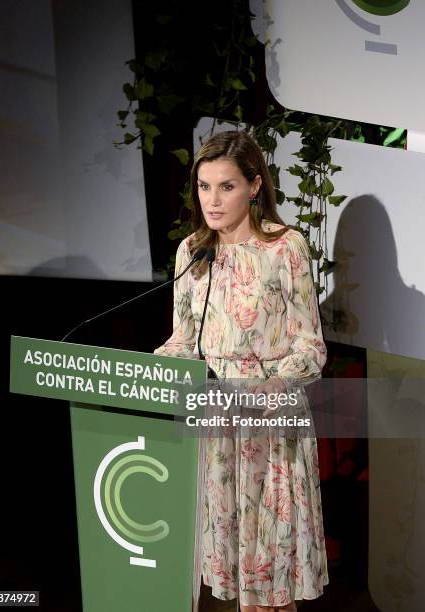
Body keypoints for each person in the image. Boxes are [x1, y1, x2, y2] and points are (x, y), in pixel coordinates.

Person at [154, 130, 329, 612]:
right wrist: (147, 372)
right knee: (240, 586)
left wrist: (268, 388)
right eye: (204, 187)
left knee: (271, 584)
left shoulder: (286, 247)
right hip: (220, 429)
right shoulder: (192, 250)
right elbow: (183, 341)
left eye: (226, 186)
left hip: (272, 425)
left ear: (254, 186)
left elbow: (311, 348)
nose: (212, 199)